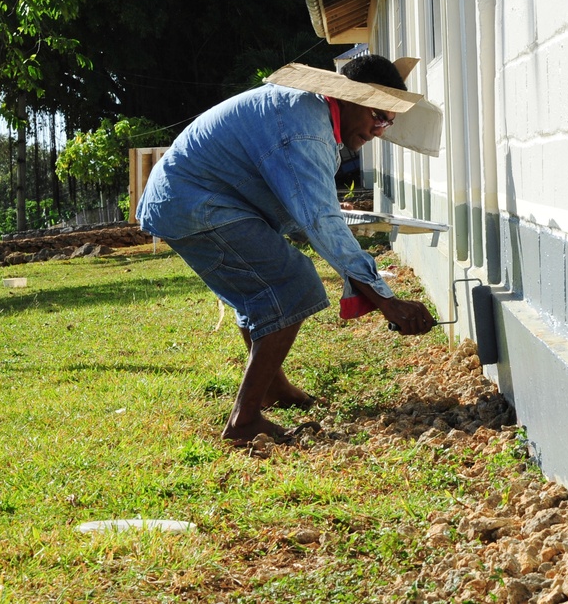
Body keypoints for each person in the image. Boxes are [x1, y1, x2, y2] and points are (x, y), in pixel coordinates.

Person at [136, 54, 437, 446]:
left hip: (190, 198)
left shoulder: (309, 114)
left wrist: (325, 208)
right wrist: (386, 299)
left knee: (263, 290)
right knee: (293, 283)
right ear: (350, 98)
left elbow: (304, 202)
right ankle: (243, 422)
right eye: (377, 116)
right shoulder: (305, 130)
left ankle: (274, 390)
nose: (379, 131)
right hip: (193, 203)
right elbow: (319, 222)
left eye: (388, 123)